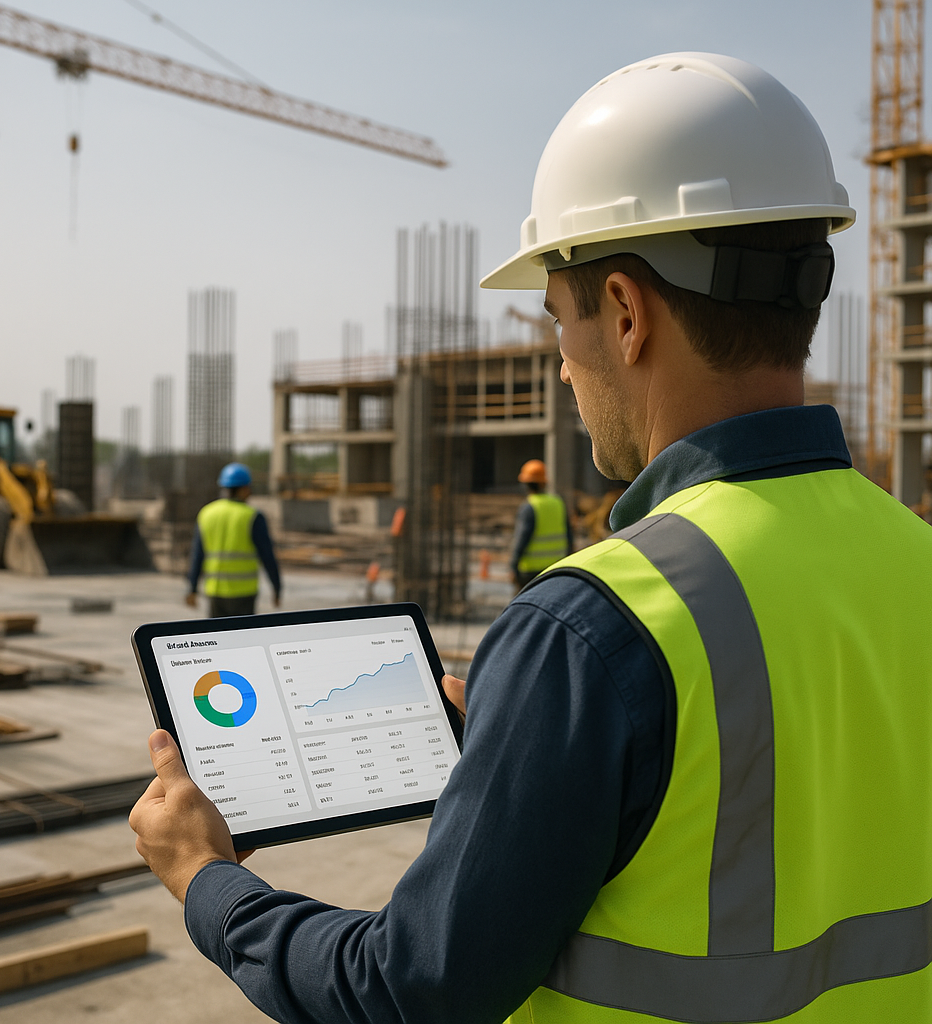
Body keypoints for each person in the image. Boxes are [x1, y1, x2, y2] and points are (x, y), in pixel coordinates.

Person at [132, 52, 932, 1022]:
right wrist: (542, 757)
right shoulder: (914, 558)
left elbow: (405, 991)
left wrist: (208, 880)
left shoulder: (594, 628)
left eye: (557, 320)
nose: (560, 366)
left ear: (626, 314)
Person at [186, 462, 281, 617]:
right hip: (244, 592)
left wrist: (192, 588)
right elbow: (267, 555)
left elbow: (197, 554)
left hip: (215, 591)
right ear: (243, 489)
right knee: (243, 632)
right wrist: (277, 587)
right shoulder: (252, 516)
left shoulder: (206, 513)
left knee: (218, 632)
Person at [509, 458, 573, 589]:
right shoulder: (558, 503)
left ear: (525, 484)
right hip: (556, 568)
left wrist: (513, 566)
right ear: (544, 483)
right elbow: (569, 536)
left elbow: (521, 539)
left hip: (530, 572)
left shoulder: (529, 506)